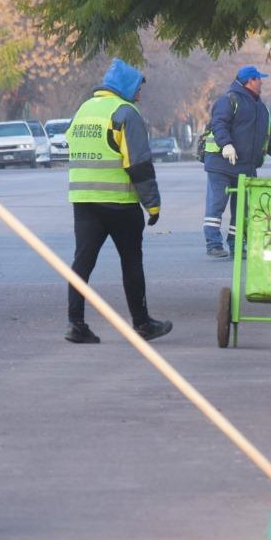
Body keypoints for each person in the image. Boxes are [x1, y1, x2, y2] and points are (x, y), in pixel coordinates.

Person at [64, 58, 172, 345]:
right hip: (119, 202)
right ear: (125, 87)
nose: (140, 94)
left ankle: (76, 324)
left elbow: (70, 143)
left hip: (84, 199)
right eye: (138, 87)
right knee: (131, 262)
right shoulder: (126, 112)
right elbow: (139, 164)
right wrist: (153, 204)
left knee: (82, 262)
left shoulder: (83, 110)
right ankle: (142, 324)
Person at [200, 65, 271, 257]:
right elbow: (219, 124)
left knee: (243, 211)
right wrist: (227, 145)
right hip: (221, 164)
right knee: (217, 204)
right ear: (249, 81)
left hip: (246, 167)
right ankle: (213, 244)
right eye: (259, 79)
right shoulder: (228, 100)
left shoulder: (261, 108)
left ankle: (237, 244)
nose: (262, 82)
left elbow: (268, 135)